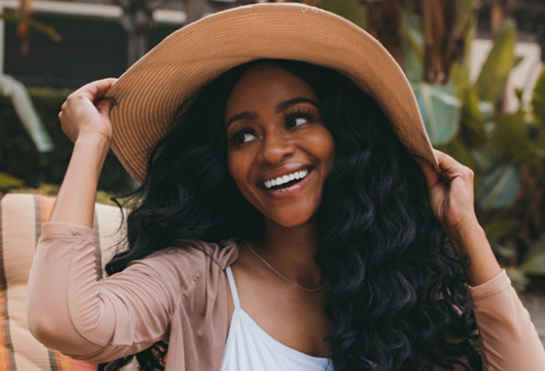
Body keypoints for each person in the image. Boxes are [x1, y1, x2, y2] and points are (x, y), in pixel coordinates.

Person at [26, 3, 545, 371]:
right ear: (222, 162)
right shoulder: (193, 278)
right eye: (243, 135)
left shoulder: (396, 286)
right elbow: (63, 321)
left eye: (298, 119)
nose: (272, 151)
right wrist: (91, 142)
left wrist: (464, 228)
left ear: (344, 136)